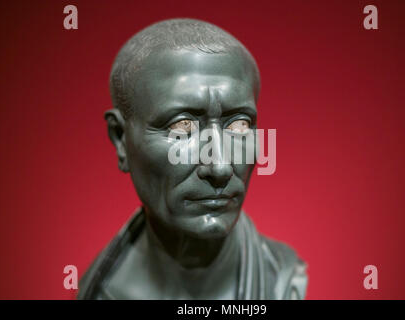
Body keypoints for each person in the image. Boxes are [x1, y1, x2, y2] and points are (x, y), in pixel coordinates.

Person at [78, 18, 307, 300]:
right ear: (121, 139)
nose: (220, 166)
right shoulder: (101, 290)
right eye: (182, 127)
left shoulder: (283, 279)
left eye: (239, 126)